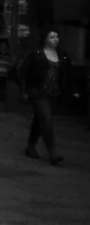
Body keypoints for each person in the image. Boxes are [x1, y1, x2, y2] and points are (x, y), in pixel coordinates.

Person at [21, 30, 68, 165]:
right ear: (45, 39)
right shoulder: (36, 54)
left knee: (39, 119)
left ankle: (30, 146)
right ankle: (53, 153)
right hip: (37, 91)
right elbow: (23, 70)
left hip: (53, 93)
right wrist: (24, 90)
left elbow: (66, 74)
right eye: (52, 37)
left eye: (57, 36)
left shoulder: (62, 55)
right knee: (46, 118)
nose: (55, 39)